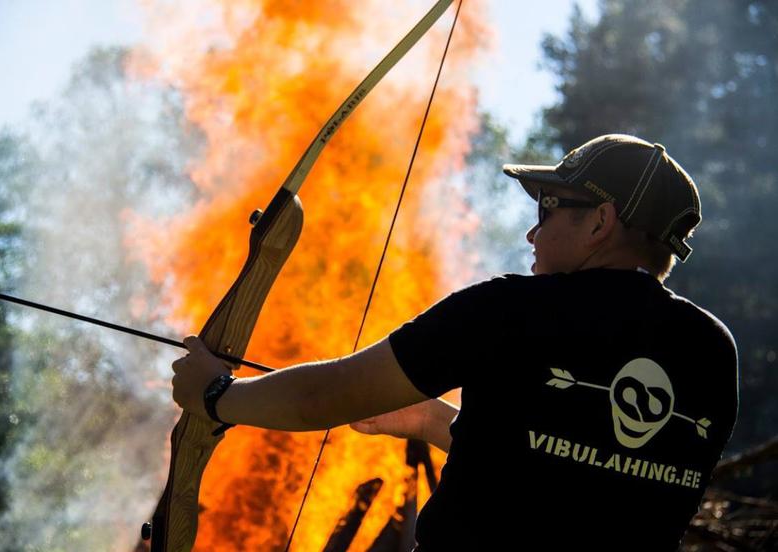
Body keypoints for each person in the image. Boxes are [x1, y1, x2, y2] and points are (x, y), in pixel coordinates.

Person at [172, 134, 739, 551]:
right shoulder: (713, 352)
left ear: (600, 222)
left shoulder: (511, 309)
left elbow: (326, 396)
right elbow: (580, 467)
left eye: (550, 207)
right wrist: (428, 421)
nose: (532, 231)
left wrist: (218, 395)